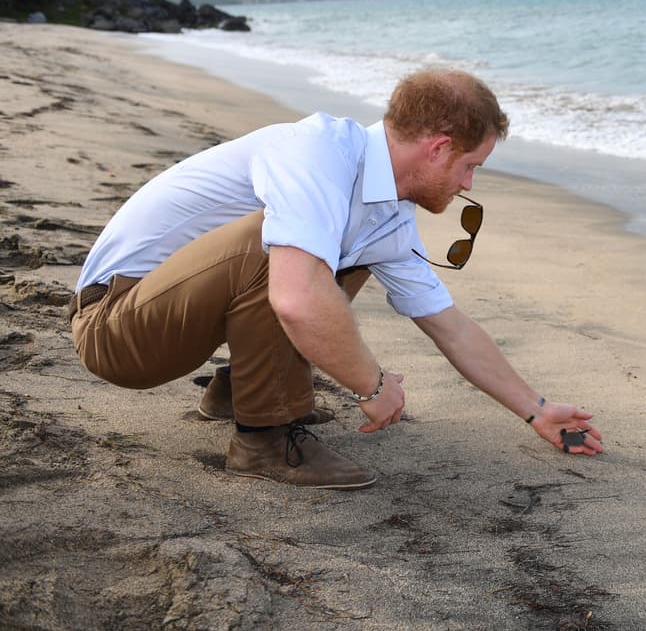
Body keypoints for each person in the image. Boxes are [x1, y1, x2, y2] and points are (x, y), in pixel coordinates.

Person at [68, 67, 603, 490]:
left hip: (174, 319)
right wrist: (372, 384)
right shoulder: (316, 153)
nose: (468, 184)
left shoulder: (388, 214)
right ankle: (263, 441)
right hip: (115, 326)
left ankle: (239, 391)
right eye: (470, 166)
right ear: (439, 147)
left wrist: (536, 410)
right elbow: (295, 299)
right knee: (288, 255)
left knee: (332, 254)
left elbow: (449, 325)